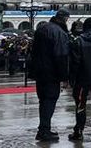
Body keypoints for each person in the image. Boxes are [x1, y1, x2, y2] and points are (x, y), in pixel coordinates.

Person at [28, 9, 71, 141]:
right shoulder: (59, 33)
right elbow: (61, 55)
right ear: (64, 19)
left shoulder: (42, 28)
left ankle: (43, 128)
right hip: (51, 73)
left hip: (39, 71)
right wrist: (64, 77)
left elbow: (33, 51)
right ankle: (44, 130)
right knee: (50, 100)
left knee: (43, 100)